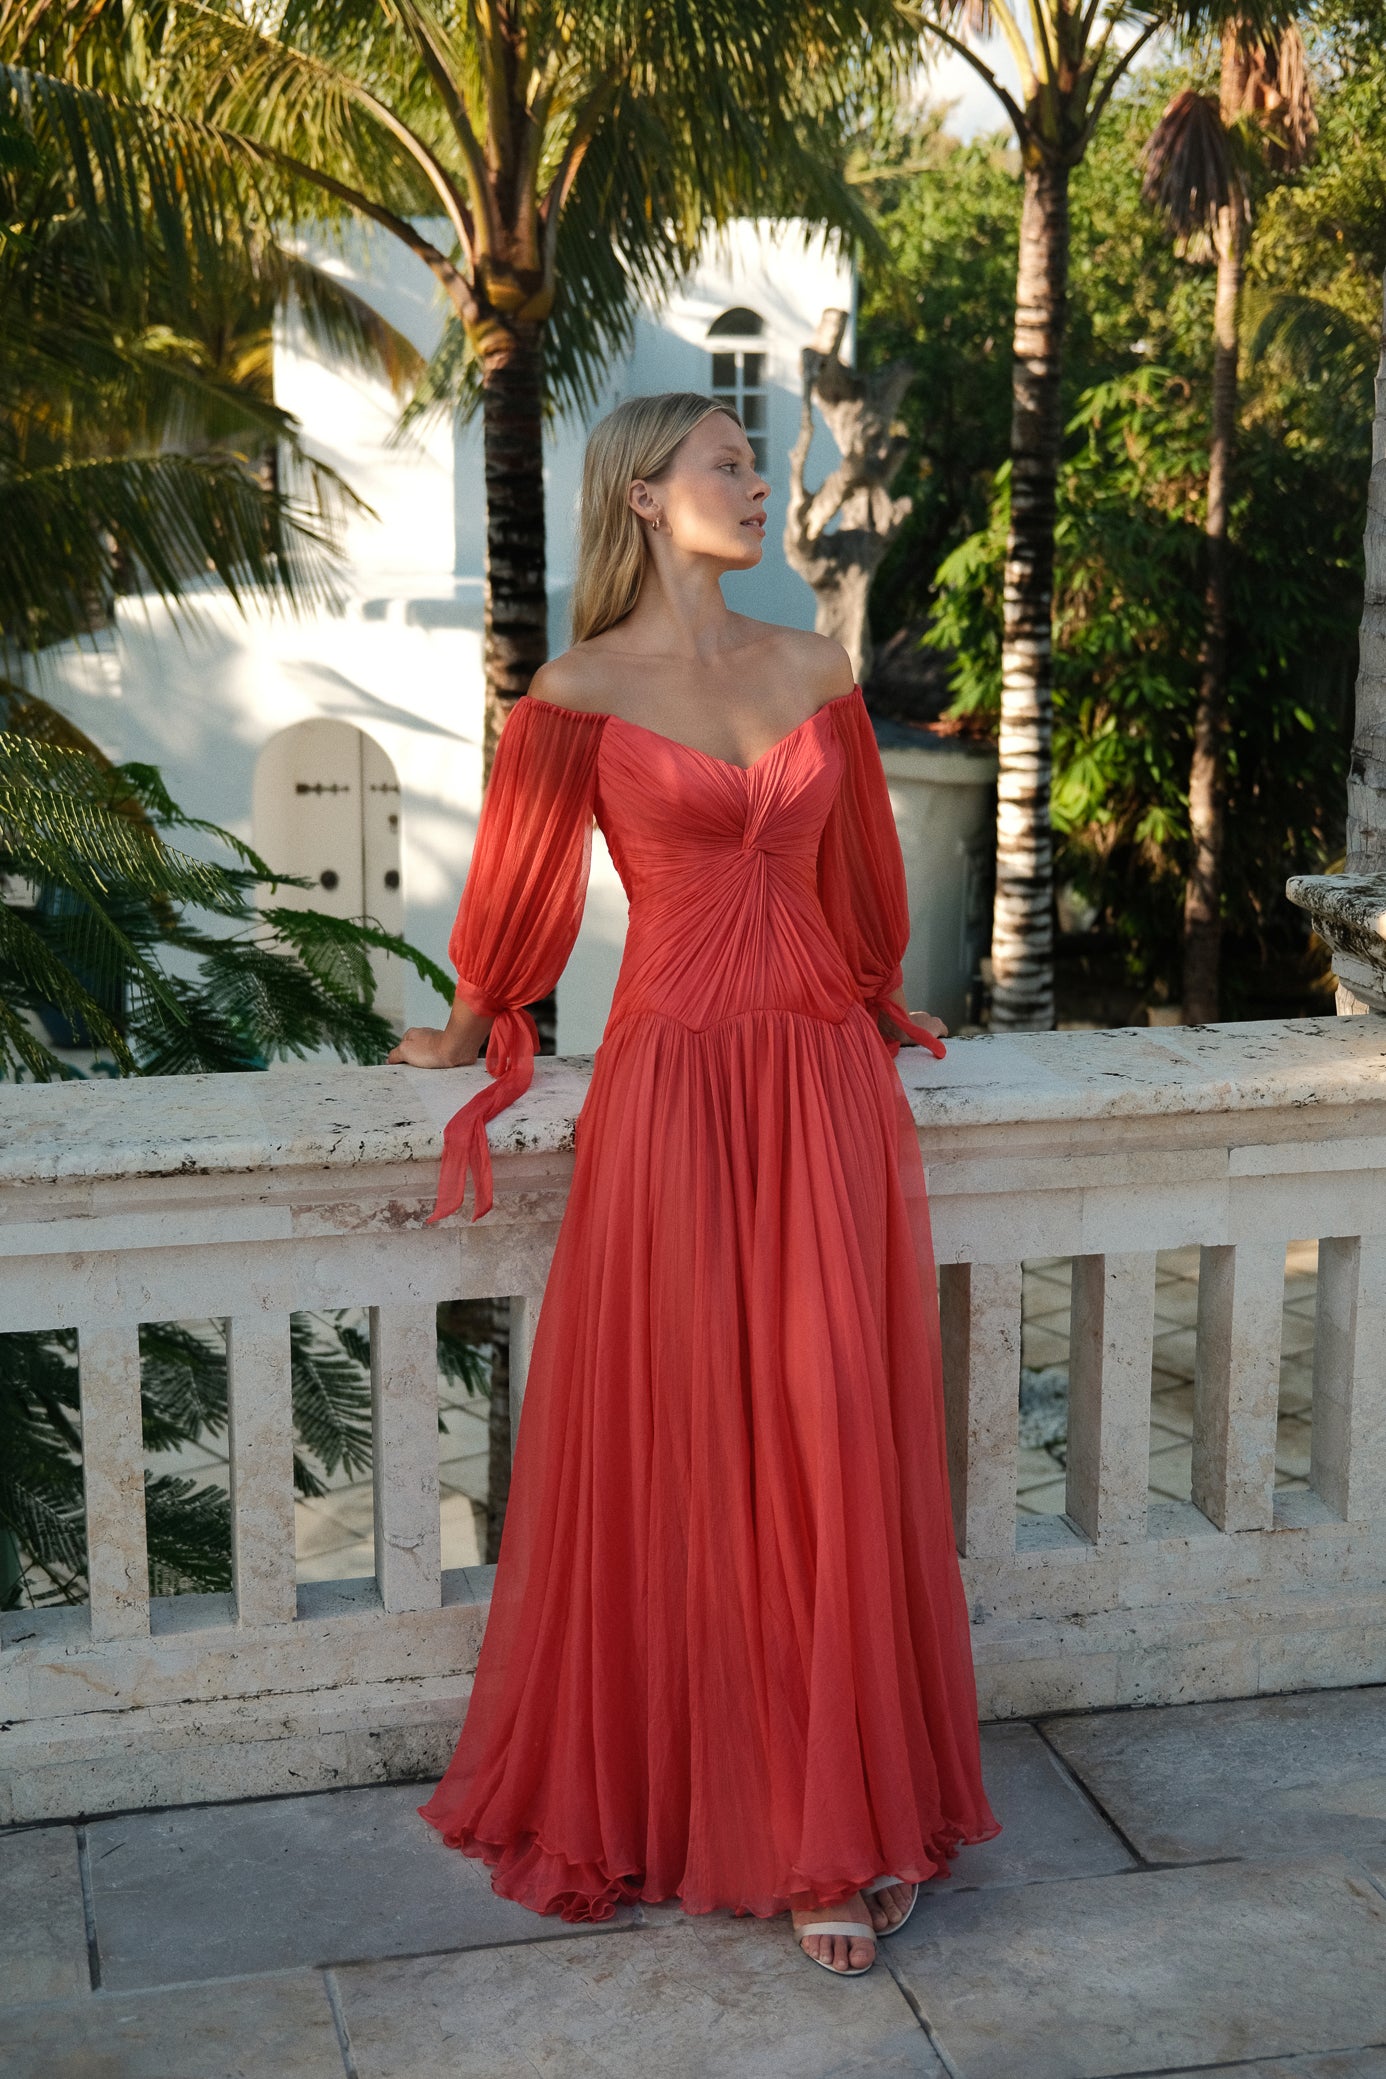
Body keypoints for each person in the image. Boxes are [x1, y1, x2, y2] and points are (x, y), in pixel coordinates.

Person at [389, 390, 999, 1976]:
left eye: (752, 461)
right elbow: (516, 899)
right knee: (697, 1437)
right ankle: (743, 1811)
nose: (754, 480)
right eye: (725, 462)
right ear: (646, 497)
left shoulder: (815, 669)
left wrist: (880, 1003)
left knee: (830, 1430)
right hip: (671, 1091)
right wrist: (457, 1032)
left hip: (820, 1082)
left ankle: (838, 1813)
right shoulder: (576, 690)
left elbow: (860, 881)